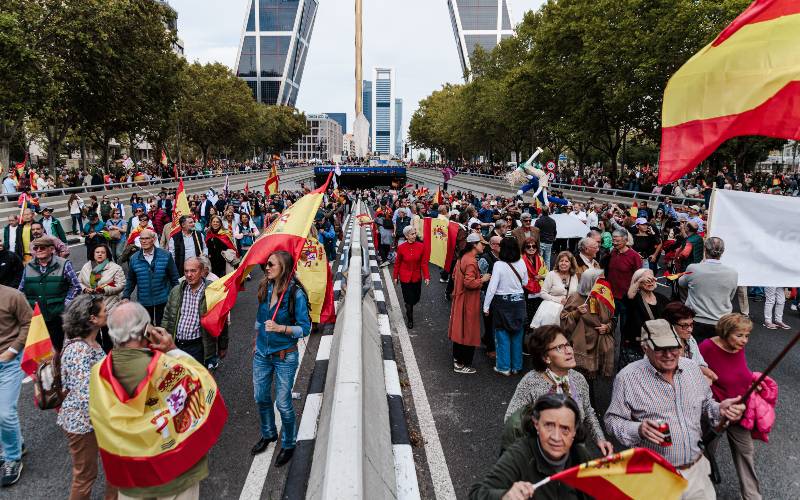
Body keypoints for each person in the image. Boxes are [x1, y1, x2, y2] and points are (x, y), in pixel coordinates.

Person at [90, 302, 224, 500]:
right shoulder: (166, 366)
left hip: (133, 479)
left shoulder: (98, 374)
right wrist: (172, 349)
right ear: (146, 330)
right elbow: (202, 382)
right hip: (176, 477)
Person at [604, 318, 746, 499]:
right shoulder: (628, 378)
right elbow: (612, 421)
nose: (669, 354)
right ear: (645, 348)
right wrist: (638, 429)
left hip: (697, 471)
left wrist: (720, 409)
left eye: (674, 347)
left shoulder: (692, 368)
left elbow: (706, 404)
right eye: (660, 349)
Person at [505, 326, 612, 456]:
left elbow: (588, 412)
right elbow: (511, 421)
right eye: (559, 348)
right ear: (546, 357)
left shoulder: (578, 379)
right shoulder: (530, 382)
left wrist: (600, 439)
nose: (568, 351)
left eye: (568, 345)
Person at [251, 251, 311, 467]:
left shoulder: (296, 294)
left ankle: (288, 443)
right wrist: (256, 341)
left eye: (270, 265)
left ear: (283, 267)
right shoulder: (264, 287)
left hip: (285, 356)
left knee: (283, 403)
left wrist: (281, 328)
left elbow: (305, 328)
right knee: (260, 397)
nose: (266, 268)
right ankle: (268, 434)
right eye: (265, 264)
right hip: (261, 354)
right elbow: (259, 319)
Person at [470, 394, 593, 500]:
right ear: (536, 424)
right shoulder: (520, 455)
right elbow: (477, 493)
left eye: (565, 429)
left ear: (574, 432)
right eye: (549, 425)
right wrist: (504, 496)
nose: (556, 437)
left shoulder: (580, 455)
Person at [58, 295, 117, 500]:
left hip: (98, 419)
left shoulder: (91, 342)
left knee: (116, 469)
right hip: (82, 424)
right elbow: (86, 397)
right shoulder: (78, 350)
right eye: (104, 311)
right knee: (85, 476)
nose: (107, 312)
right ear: (92, 319)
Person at [699, 313, 763, 500]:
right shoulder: (707, 347)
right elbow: (697, 376)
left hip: (739, 410)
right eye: (739, 335)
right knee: (706, 451)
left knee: (746, 453)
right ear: (726, 332)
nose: (744, 340)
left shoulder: (737, 347)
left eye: (747, 336)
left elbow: (739, 372)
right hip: (716, 411)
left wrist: (753, 381)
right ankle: (702, 488)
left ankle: (752, 496)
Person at [161, 257, 227, 370]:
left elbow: (221, 320)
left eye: (193, 271)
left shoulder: (212, 292)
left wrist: (222, 346)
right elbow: (167, 318)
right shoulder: (176, 291)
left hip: (197, 347)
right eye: (186, 271)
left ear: (202, 271)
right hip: (176, 345)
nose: (189, 275)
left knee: (197, 382)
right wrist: (163, 342)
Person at [19, 236, 81, 351]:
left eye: (42, 247)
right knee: (40, 351)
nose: (38, 250)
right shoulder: (28, 266)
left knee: (58, 348)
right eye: (36, 248)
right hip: (36, 316)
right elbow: (21, 290)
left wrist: (65, 304)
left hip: (57, 316)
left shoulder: (64, 264)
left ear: (51, 249)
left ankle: (59, 367)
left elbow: (76, 286)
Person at [0, 284, 32, 487]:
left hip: (9, 361)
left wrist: (12, 350)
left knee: (4, 412)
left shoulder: (13, 295)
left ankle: (12, 457)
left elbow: (30, 323)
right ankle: (17, 444)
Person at [678, 237, 738, 342]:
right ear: (722, 252)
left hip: (696, 319)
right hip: (721, 320)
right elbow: (730, 296)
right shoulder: (733, 273)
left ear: (705, 250)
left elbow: (681, 283)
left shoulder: (693, 268)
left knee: (694, 353)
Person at [484, 237, 528, 376]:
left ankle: (504, 367)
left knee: (502, 334)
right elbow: (525, 282)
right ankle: (517, 365)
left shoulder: (499, 265)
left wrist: (486, 306)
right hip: (519, 302)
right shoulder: (521, 262)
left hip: (502, 302)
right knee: (517, 333)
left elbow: (492, 287)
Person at [560, 268, 615, 381]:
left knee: (591, 382)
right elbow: (564, 320)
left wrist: (607, 327)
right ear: (590, 281)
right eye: (599, 280)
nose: (603, 283)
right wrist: (576, 313)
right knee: (579, 382)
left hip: (599, 345)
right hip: (582, 346)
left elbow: (612, 319)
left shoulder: (603, 297)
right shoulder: (575, 297)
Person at [448, 233, 491, 374]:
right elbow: (469, 282)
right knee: (468, 331)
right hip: (468, 300)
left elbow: (455, 275)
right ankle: (462, 364)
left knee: (460, 329)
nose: (483, 246)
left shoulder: (463, 258)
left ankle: (457, 359)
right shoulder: (472, 261)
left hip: (460, 298)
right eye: (482, 244)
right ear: (474, 244)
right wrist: (482, 279)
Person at [122, 229, 180, 326]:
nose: (143, 241)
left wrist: (177, 298)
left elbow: (174, 278)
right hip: (144, 301)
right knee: (147, 331)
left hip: (163, 299)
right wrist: (126, 296)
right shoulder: (134, 258)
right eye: (141, 239)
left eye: (147, 238)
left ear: (153, 239)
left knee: (162, 329)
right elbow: (131, 280)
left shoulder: (165, 255)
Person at [78, 244, 126, 352]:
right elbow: (79, 282)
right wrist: (85, 289)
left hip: (108, 307)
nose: (100, 254)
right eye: (97, 252)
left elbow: (121, 285)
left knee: (109, 336)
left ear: (107, 254)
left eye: (103, 252)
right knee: (94, 335)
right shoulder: (87, 266)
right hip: (91, 307)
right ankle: (98, 358)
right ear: (93, 254)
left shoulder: (115, 268)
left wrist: (105, 290)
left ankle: (110, 358)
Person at [621, 268, 669, 365]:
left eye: (652, 278)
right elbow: (629, 297)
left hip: (657, 345)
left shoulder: (662, 298)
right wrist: (639, 281)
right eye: (646, 280)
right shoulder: (635, 298)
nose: (650, 282)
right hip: (637, 346)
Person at [663, 301, 717, 384]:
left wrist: (710, 374)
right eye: (684, 326)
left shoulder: (690, 340)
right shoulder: (662, 346)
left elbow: (699, 363)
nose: (690, 330)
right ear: (670, 325)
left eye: (691, 324)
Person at [393, 225, 430, 329]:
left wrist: (426, 276)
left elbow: (424, 263)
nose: (414, 235)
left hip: (416, 277)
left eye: (415, 233)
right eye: (412, 234)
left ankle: (409, 305)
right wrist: (395, 277)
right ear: (406, 236)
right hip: (405, 278)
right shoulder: (401, 248)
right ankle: (410, 319)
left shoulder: (421, 246)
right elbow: (397, 263)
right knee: (409, 301)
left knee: (416, 299)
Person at [604, 228, 643, 328]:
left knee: (625, 327)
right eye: (613, 240)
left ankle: (623, 344)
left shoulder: (634, 256)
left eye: (617, 241)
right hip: (611, 296)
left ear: (626, 240)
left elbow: (639, 276)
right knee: (609, 326)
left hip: (626, 298)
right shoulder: (613, 253)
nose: (614, 243)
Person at [478, 235, 502, 359]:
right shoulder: (485, 259)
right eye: (500, 244)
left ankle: (486, 338)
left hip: (499, 293)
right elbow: (481, 278)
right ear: (492, 246)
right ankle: (490, 348)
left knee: (496, 320)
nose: (502, 247)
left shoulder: (504, 258)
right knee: (488, 319)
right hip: (486, 293)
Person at [520, 237, 548, 330]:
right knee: (527, 314)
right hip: (526, 289)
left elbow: (546, 272)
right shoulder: (520, 260)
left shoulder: (540, 258)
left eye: (534, 246)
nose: (531, 248)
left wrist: (541, 277)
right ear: (524, 248)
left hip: (539, 289)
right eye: (528, 246)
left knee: (538, 313)